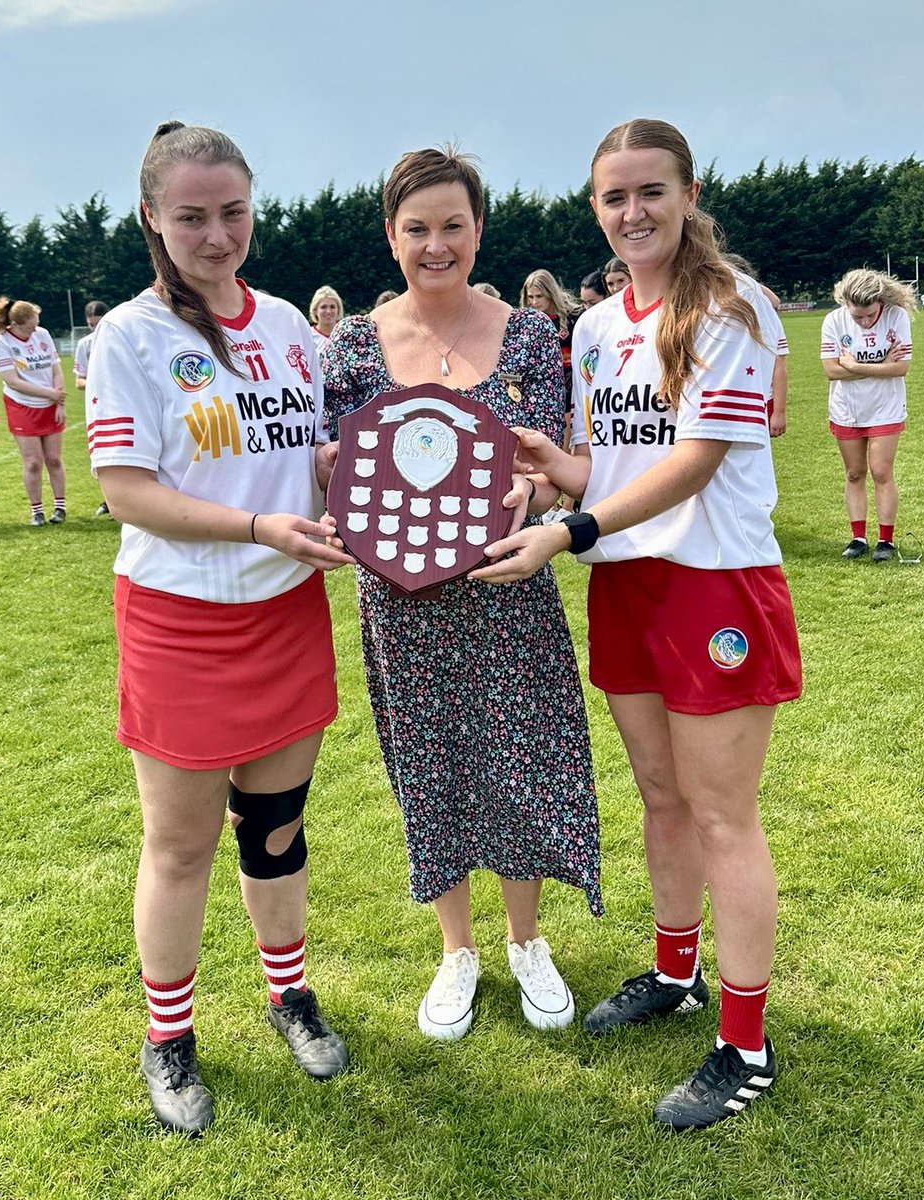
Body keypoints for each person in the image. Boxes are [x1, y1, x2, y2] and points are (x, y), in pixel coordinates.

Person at [473, 118, 801, 1130]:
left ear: (689, 193)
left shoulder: (729, 306)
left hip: (713, 586)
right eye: (614, 198)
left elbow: (694, 462)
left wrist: (571, 523)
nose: (633, 212)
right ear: (595, 210)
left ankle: (744, 1045)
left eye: (650, 191)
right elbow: (615, 470)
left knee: (721, 816)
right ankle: (675, 970)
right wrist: (552, 463)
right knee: (661, 799)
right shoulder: (598, 325)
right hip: (626, 579)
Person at [85, 121, 353, 1137]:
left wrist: (350, 473)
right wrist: (254, 522)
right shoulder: (127, 337)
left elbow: (296, 453)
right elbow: (126, 490)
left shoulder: (288, 323)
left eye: (232, 212)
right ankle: (169, 1037)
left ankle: (287, 994)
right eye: (191, 216)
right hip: (181, 621)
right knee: (181, 843)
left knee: (276, 832)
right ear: (153, 217)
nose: (215, 234)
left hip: (286, 609)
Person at [321, 146, 602, 1045]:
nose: (435, 245)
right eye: (417, 229)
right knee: (431, 765)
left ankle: (525, 942)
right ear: (391, 236)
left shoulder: (526, 334)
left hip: (506, 590)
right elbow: (332, 464)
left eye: (452, 226)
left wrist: (541, 496)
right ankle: (457, 951)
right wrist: (332, 478)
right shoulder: (356, 344)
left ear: (479, 230)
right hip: (401, 607)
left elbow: (555, 464)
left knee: (517, 764)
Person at [820, 268, 914, 561]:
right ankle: (858, 537)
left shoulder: (896, 316)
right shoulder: (834, 321)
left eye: (870, 315)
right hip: (847, 409)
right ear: (845, 304)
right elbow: (830, 370)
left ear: (880, 304)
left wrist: (854, 367)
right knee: (854, 472)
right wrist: (878, 368)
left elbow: (901, 368)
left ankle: (885, 541)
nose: (864, 322)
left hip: (885, 408)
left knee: (882, 472)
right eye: (857, 316)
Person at [0, 297, 67, 526]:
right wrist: (49, 394)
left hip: (50, 405)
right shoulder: (1, 341)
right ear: (18, 324)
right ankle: (37, 511)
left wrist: (59, 401)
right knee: (33, 461)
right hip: (22, 405)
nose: (36, 328)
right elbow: (12, 381)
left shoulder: (42, 333)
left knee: (53, 459)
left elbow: (56, 370)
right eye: (32, 325)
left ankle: (60, 507)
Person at [722, 255, 788, 437]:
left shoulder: (767, 320)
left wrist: (779, 412)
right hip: (724, 402)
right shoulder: (716, 319)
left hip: (759, 401)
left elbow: (779, 366)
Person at [519, 268, 582, 411]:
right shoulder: (527, 322)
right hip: (542, 388)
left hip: (574, 383)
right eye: (531, 297)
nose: (534, 302)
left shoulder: (574, 316)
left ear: (550, 293)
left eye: (539, 296)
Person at [74, 300, 112, 516]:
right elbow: (79, 381)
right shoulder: (84, 345)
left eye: (99, 324)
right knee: (103, 457)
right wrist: (99, 382)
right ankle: (109, 500)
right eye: (91, 325)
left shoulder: (123, 338)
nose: (95, 330)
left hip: (131, 405)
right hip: (99, 409)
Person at [308, 285, 344, 357]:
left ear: (338, 310)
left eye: (332, 307)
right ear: (315, 311)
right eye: (323, 307)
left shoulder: (345, 335)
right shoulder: (308, 335)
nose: (328, 311)